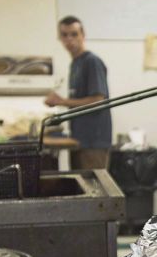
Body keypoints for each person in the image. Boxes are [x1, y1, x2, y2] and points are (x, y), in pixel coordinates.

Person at [45, 15, 112, 170]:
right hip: (78, 139)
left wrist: (61, 101)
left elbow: (98, 100)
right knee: (80, 188)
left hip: (93, 141)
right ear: (60, 38)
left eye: (74, 34)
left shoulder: (92, 61)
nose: (70, 39)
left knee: (94, 190)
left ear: (83, 35)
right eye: (64, 35)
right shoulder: (75, 64)